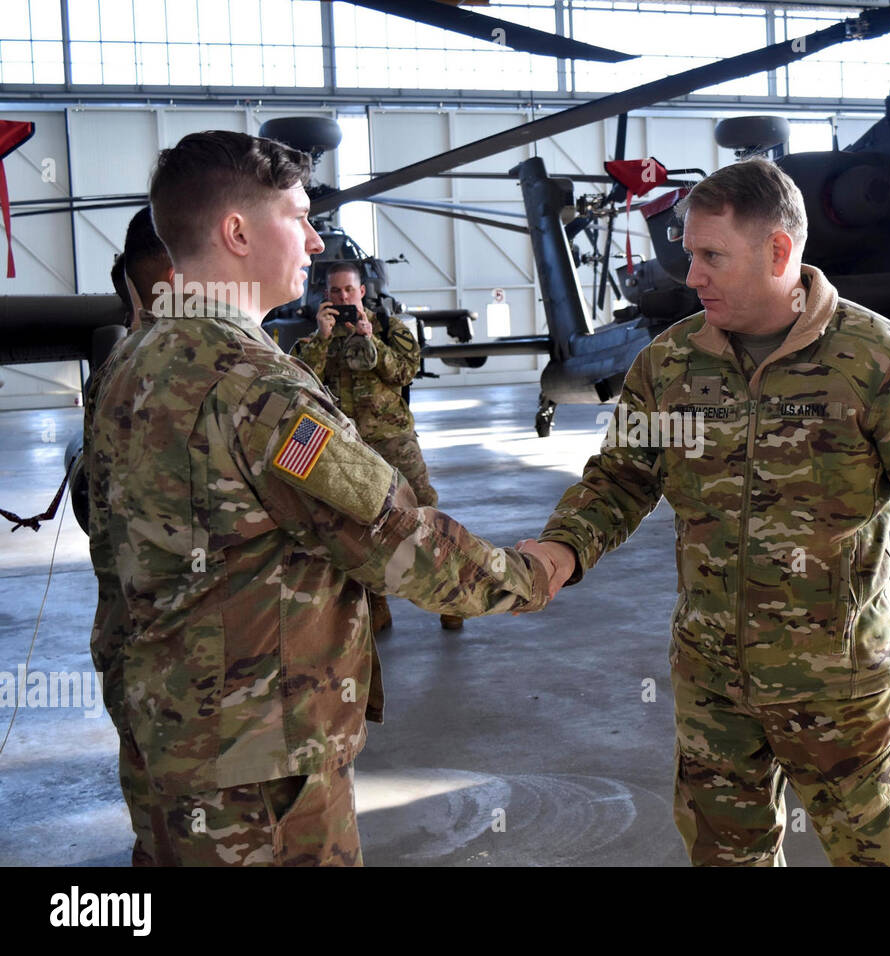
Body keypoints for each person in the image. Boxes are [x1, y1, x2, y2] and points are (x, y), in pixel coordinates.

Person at [86, 130, 550, 866]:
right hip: (259, 767)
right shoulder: (257, 386)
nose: (312, 240)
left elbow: (105, 535)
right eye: (297, 216)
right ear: (236, 232)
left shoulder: (132, 361)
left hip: (163, 734)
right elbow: (396, 542)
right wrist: (533, 575)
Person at [519, 158, 890, 866]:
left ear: (778, 251)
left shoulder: (879, 361)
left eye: (712, 256)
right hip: (711, 685)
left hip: (840, 689)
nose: (692, 276)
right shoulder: (670, 364)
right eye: (690, 255)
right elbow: (620, 479)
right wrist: (563, 549)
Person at [292, 262, 461, 631]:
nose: (343, 299)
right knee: (357, 528)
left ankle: (451, 596)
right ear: (325, 296)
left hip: (393, 438)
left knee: (425, 516)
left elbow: (404, 372)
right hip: (348, 447)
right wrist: (321, 337)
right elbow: (300, 384)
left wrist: (371, 340)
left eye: (349, 291)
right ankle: (376, 606)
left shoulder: (389, 329)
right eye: (335, 293)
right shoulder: (317, 338)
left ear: (362, 291)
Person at [87, 206, 174, 866]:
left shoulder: (117, 365)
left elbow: (96, 510)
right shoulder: (228, 377)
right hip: (214, 698)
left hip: (133, 651)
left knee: (159, 832)